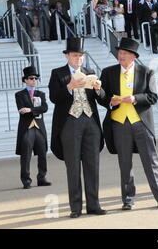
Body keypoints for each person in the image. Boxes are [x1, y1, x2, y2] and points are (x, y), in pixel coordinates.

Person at [100, 38, 158, 209]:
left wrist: (135, 98)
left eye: (124, 53)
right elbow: (102, 97)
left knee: (151, 161)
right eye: (119, 53)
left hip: (141, 123)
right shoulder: (108, 72)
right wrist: (109, 101)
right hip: (119, 123)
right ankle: (128, 200)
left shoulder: (146, 72)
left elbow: (153, 97)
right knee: (125, 164)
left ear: (133, 56)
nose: (120, 56)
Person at [48, 37, 107, 218]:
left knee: (92, 164)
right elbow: (53, 98)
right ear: (67, 56)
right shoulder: (58, 73)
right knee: (73, 166)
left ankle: (93, 204)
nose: (78, 59)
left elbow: (103, 99)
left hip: (90, 122)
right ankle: (75, 207)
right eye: (75, 56)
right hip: (70, 123)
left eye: (81, 56)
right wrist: (69, 87)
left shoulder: (90, 71)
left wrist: (99, 89)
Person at [15, 66, 51, 189]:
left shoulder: (41, 94)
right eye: (31, 78)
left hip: (39, 127)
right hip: (27, 128)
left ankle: (42, 177)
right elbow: (21, 109)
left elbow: (45, 108)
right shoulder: (19, 94)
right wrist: (34, 110)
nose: (34, 80)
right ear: (25, 80)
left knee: (42, 153)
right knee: (26, 155)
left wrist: (30, 109)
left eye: (36, 78)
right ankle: (26, 180)